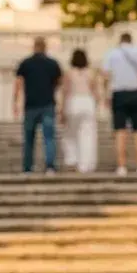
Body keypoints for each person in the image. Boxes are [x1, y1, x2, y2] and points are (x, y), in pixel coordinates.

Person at [102, 31, 137, 176]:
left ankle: (122, 166)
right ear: (131, 40)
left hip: (119, 93)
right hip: (136, 92)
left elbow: (105, 75)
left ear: (120, 41)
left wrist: (106, 94)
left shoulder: (112, 53)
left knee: (120, 130)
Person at [14, 37, 62, 175]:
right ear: (45, 47)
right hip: (47, 104)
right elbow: (59, 82)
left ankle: (28, 168)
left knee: (29, 138)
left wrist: (15, 102)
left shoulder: (26, 63)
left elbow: (18, 84)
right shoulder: (52, 63)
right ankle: (50, 167)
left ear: (34, 47)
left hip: (30, 105)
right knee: (49, 138)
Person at [61, 49, 99, 174]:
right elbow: (95, 91)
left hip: (74, 101)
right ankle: (86, 164)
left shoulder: (69, 73)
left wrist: (62, 108)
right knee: (88, 135)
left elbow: (65, 91)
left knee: (71, 134)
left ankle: (72, 159)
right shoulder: (91, 73)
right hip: (88, 102)